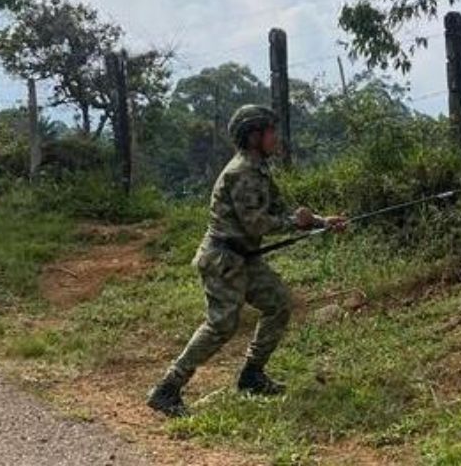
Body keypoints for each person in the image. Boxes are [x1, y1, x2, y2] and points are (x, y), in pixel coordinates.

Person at [146, 105, 346, 418]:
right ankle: (167, 388)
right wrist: (297, 221)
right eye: (270, 132)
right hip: (223, 259)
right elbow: (258, 224)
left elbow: (280, 210)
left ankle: (251, 376)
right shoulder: (242, 173)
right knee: (221, 326)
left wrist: (321, 221)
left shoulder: (259, 168)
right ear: (254, 136)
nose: (275, 138)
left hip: (243, 257)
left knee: (278, 303)